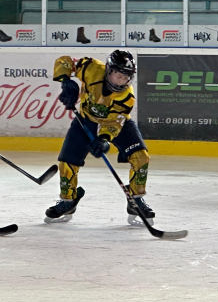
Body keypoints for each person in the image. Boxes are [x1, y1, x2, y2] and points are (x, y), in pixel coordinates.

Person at [45, 50, 154, 225]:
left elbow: (113, 123)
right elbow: (64, 61)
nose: (121, 81)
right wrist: (66, 82)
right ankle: (68, 200)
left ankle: (136, 199)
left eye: (126, 77)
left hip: (117, 122)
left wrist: (103, 139)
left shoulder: (127, 96)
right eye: (118, 75)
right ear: (109, 71)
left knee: (141, 156)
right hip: (86, 120)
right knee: (67, 161)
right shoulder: (92, 68)